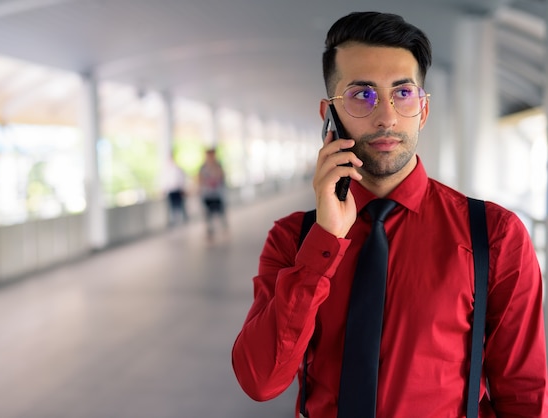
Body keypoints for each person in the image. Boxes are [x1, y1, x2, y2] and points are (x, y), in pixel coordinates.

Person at [231, 11, 547, 418]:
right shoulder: (294, 238)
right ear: (329, 114)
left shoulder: (494, 235)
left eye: (403, 94)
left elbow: (524, 395)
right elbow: (259, 381)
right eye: (362, 95)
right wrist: (324, 244)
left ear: (424, 110)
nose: (386, 116)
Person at [198, 148, 227, 239]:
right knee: (208, 214)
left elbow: (222, 177)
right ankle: (210, 232)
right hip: (207, 195)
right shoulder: (203, 167)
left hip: (217, 194)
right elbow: (199, 179)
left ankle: (224, 229)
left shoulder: (218, 166)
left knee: (220, 212)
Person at [162, 153, 188, 226]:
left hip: (178, 190)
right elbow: (165, 182)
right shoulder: (166, 171)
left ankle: (182, 221)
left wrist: (183, 188)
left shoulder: (178, 169)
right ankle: (174, 221)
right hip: (171, 191)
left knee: (180, 206)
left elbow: (182, 180)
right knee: (172, 207)